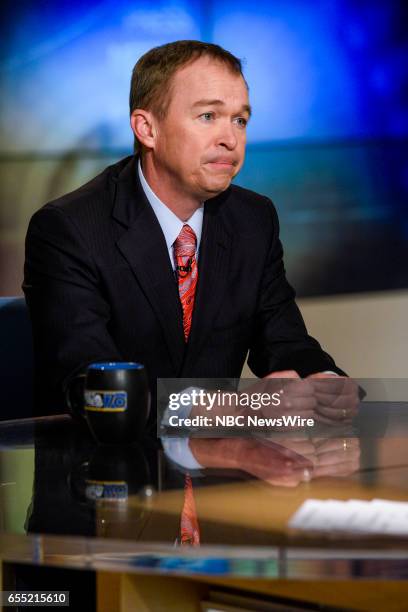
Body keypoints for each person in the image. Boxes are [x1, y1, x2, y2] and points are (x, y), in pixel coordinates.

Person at [23, 40, 350, 421]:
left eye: (240, 120)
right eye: (209, 116)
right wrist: (235, 409)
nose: (230, 139)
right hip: (105, 466)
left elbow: (285, 342)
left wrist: (322, 381)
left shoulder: (253, 219)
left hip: (220, 470)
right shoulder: (69, 229)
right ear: (147, 128)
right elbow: (97, 390)